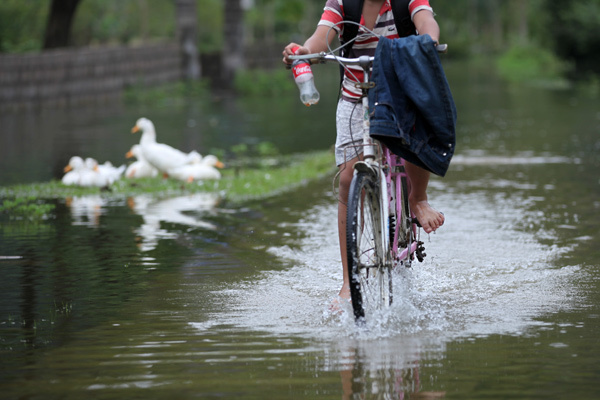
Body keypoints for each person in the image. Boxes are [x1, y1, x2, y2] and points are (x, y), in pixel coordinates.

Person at [282, 0, 445, 302]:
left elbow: (425, 21)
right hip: (355, 96)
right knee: (347, 180)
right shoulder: (344, 4)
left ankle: (418, 198)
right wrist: (306, 53)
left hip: (401, 91)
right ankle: (348, 281)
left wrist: (428, 42)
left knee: (415, 133)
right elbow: (321, 37)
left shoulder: (404, 2)